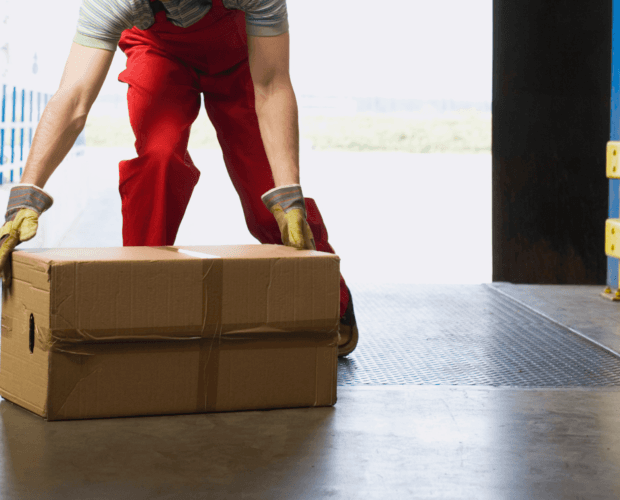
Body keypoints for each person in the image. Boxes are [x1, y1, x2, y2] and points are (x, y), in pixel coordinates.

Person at [0, 0, 358, 356]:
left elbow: (271, 83)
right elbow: (74, 97)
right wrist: (26, 195)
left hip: (240, 57)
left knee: (269, 196)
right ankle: (141, 296)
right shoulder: (110, 2)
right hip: (158, 52)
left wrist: (288, 196)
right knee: (159, 159)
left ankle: (330, 297)